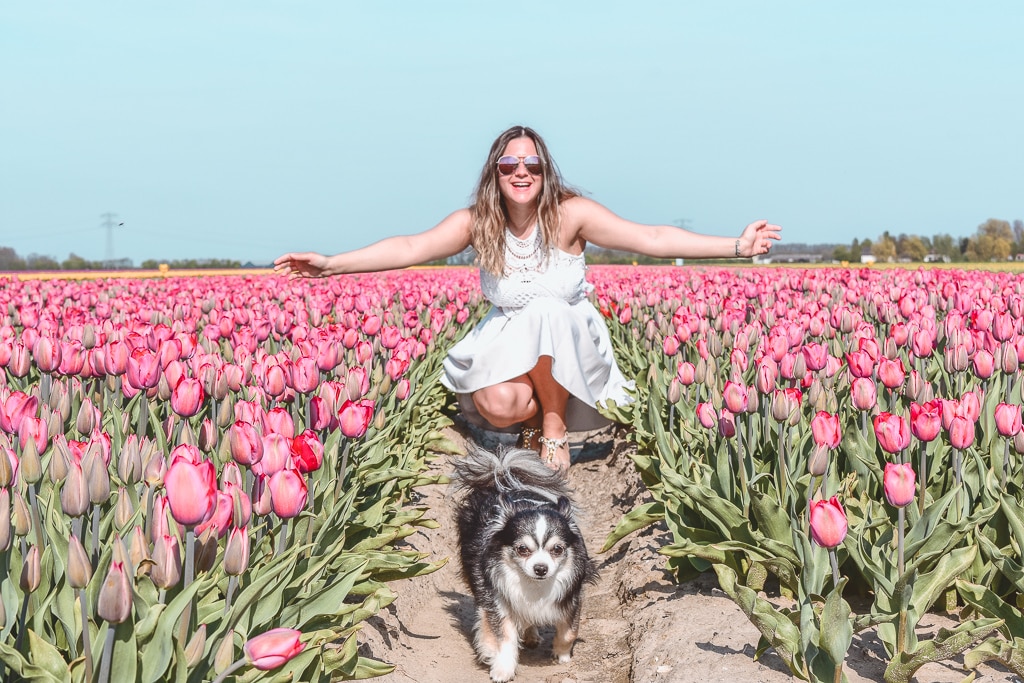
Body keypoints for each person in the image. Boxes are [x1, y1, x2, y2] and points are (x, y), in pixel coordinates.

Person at [275, 125, 781, 472]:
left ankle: (555, 427)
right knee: (499, 403)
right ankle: (534, 424)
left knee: (546, 307)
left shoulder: (571, 214)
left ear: (545, 172)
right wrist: (331, 264)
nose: (521, 172)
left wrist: (737, 246)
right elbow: (411, 247)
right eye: (509, 164)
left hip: (571, 341)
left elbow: (651, 238)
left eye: (532, 164)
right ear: (494, 171)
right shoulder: (478, 222)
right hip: (510, 340)